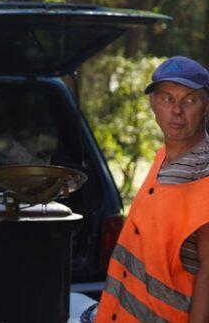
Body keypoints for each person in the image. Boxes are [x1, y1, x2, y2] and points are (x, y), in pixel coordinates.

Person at [88, 56, 209, 323]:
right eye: (167, 98)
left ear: (206, 107)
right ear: (153, 104)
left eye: (190, 100)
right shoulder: (162, 159)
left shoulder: (204, 174)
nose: (177, 110)